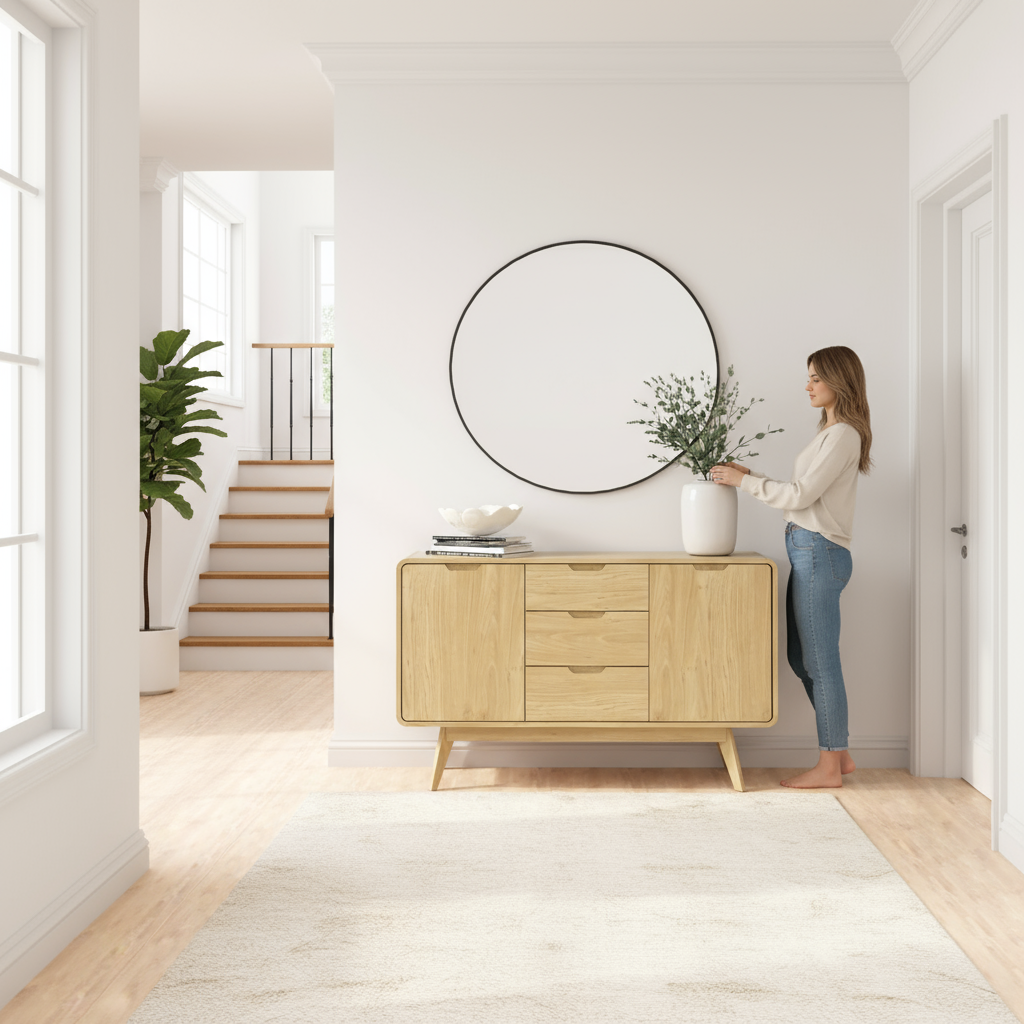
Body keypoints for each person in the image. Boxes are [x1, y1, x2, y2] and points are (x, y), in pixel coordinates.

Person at [710, 347, 871, 788]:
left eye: (816, 378)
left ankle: (828, 765)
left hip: (819, 552)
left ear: (839, 380)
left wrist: (745, 482)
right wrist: (751, 474)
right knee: (803, 659)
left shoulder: (843, 436)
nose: (808, 386)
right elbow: (804, 493)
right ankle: (841, 755)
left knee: (820, 662)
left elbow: (800, 497)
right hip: (809, 550)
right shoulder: (831, 433)